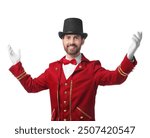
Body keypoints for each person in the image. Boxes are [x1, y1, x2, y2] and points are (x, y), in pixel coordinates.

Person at [8, 18, 142, 121]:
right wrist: (17, 65)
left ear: (82, 40)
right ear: (62, 40)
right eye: (68, 37)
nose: (71, 42)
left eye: (76, 37)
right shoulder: (52, 69)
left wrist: (129, 56)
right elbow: (31, 86)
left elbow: (116, 77)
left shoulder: (92, 68)